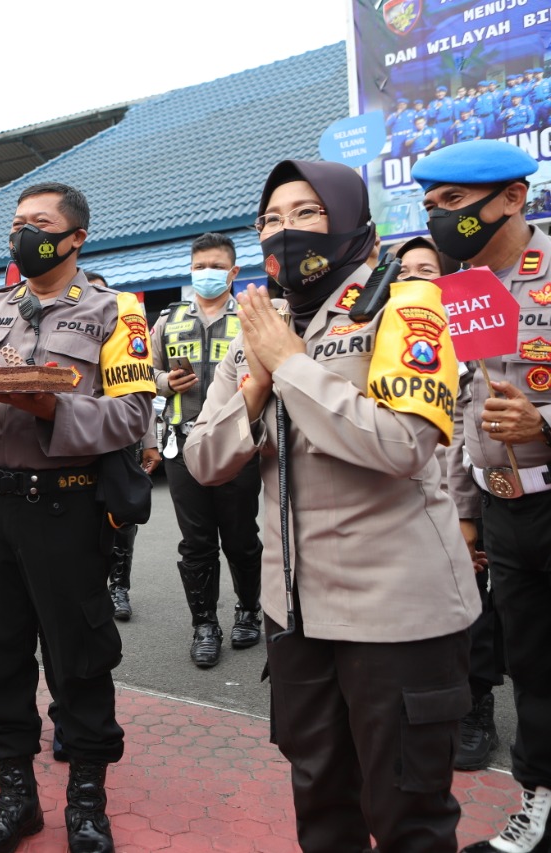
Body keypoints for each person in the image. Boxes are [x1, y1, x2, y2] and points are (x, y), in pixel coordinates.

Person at [184, 159, 480, 851]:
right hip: (297, 615)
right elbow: (204, 459)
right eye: (271, 219)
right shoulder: (259, 325)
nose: (286, 231)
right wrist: (257, 384)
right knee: (321, 807)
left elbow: (403, 446)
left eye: (306, 213)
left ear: (357, 229)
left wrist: (290, 366)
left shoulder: (408, 308)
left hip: (400, 620)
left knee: (409, 818)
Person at [0, 182, 156, 853]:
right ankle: (17, 795)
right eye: (17, 222)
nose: (24, 232)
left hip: (65, 507)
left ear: (76, 237)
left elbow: (131, 416)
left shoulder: (115, 311)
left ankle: (86, 800)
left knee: (78, 658)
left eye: (40, 223)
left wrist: (46, 406)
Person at [410, 140, 551, 853]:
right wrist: (467, 514)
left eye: (454, 203)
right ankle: (540, 807)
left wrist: (545, 424)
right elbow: (461, 418)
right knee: (532, 666)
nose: (439, 218)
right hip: (506, 510)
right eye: (431, 205)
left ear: (514, 198)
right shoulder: (455, 295)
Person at [391, 235, 505, 774]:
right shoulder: (385, 333)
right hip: (401, 498)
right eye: (405, 269)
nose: (415, 278)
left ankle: (476, 706)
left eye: (426, 270)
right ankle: (438, 704)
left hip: (467, 493)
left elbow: (463, 435)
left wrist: (464, 516)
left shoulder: (474, 336)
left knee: (480, 606)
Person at [150, 233, 264, 667]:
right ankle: (204, 625)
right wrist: (165, 382)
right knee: (195, 542)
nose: (206, 274)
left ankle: (249, 611)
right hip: (181, 441)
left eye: (215, 266)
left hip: (239, 442)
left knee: (240, 537)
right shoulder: (168, 319)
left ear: (234, 272)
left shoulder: (253, 317)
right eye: (199, 266)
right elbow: (147, 371)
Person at [84, 271, 160, 622]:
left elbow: (138, 397)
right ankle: (93, 585)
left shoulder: (121, 331)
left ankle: (120, 588)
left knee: (121, 520)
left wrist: (150, 443)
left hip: (119, 442)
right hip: (79, 443)